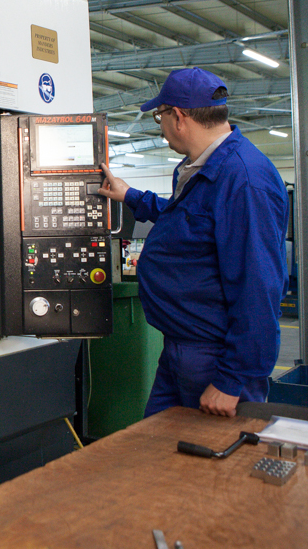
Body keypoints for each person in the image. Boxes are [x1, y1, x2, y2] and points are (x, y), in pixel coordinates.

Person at [97, 67, 288, 418]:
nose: (161, 127)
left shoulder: (244, 180)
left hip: (215, 358)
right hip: (181, 348)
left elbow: (259, 287)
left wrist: (231, 379)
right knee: (155, 444)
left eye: (160, 117)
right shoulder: (200, 167)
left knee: (215, 453)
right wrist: (132, 196)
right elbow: (187, 222)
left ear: (179, 117)